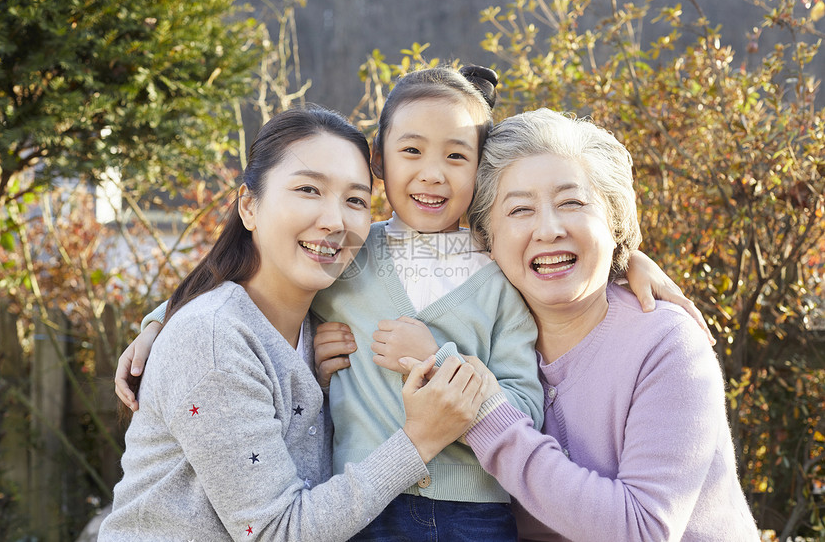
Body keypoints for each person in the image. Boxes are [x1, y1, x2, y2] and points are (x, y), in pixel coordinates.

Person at [115, 68, 712, 541]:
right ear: (381, 162)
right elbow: (241, 290)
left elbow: (531, 380)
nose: (432, 173)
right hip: (361, 510)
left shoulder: (499, 268)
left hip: (476, 511)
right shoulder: (352, 253)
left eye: (456, 156)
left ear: (481, 172)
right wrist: (160, 324)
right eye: (411, 152)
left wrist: (627, 258)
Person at [98, 107, 491, 542]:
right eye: (308, 189)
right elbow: (276, 532)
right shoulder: (214, 339)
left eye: (356, 200)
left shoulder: (317, 312)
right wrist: (419, 441)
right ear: (249, 205)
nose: (334, 220)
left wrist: (157, 321)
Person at [453, 108, 759, 540]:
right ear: (485, 240)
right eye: (520, 210)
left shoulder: (666, 342)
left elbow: (642, 530)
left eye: (572, 202)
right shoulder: (476, 338)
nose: (549, 229)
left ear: (615, 223)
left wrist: (489, 421)